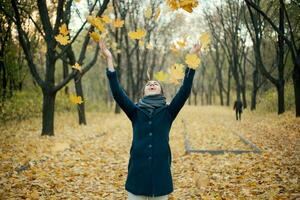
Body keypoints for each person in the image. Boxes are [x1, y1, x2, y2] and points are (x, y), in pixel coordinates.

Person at [99, 39, 201, 200]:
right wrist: (109, 59)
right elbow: (117, 93)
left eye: (155, 83)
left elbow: (185, 90)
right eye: (149, 84)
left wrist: (192, 57)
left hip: (160, 177)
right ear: (144, 92)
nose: (152, 84)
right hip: (137, 175)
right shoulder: (135, 111)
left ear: (161, 91)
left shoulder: (168, 111)